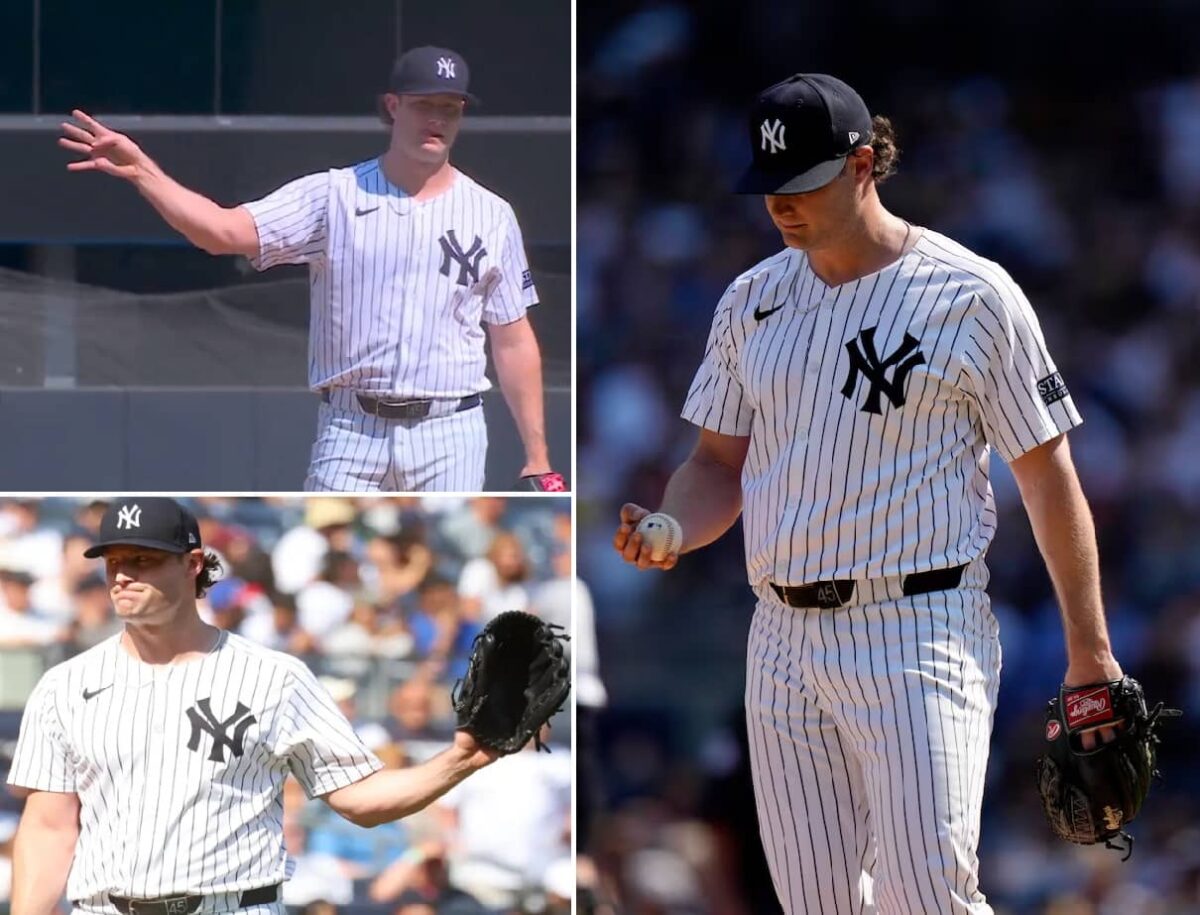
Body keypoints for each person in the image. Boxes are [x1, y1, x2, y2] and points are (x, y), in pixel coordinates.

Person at [613, 73, 1124, 914]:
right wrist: (673, 523)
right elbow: (714, 463)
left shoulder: (971, 294)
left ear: (861, 164)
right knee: (817, 903)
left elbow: (1047, 474)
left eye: (802, 181)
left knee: (927, 894)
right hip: (779, 634)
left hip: (917, 624)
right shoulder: (752, 299)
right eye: (768, 183)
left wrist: (1090, 653)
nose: (780, 202)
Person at [56, 46, 555, 492]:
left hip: (451, 428)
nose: (437, 119)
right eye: (425, 104)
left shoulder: (492, 214)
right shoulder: (333, 195)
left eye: (450, 108)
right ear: (393, 105)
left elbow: (512, 337)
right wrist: (143, 170)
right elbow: (222, 233)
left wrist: (537, 455)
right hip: (351, 426)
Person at [7, 497, 498, 915]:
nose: (123, 576)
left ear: (193, 563)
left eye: (143, 560)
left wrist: (465, 758)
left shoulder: (274, 676)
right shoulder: (65, 685)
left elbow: (359, 798)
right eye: (114, 560)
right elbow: (50, 826)